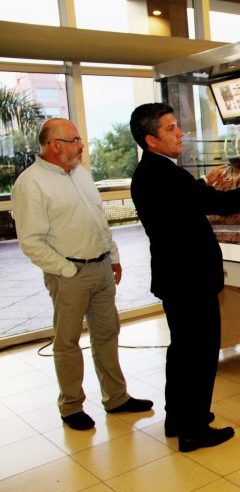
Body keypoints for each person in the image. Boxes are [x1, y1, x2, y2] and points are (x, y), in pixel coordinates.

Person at [129, 103, 240, 452]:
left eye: (178, 126)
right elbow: (221, 205)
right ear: (151, 139)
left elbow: (186, 202)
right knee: (199, 355)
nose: (180, 133)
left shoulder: (150, 172)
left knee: (182, 351)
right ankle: (195, 429)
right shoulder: (165, 174)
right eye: (171, 128)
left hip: (175, 277)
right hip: (190, 278)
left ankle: (178, 418)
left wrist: (203, 183)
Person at [11, 118, 153, 431]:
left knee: (107, 334)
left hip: (101, 267)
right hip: (68, 274)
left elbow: (98, 221)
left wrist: (112, 257)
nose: (81, 145)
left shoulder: (80, 174)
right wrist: (67, 270)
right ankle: (71, 406)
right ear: (54, 145)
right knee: (68, 342)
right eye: (74, 140)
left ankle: (116, 397)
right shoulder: (30, 183)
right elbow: (31, 241)